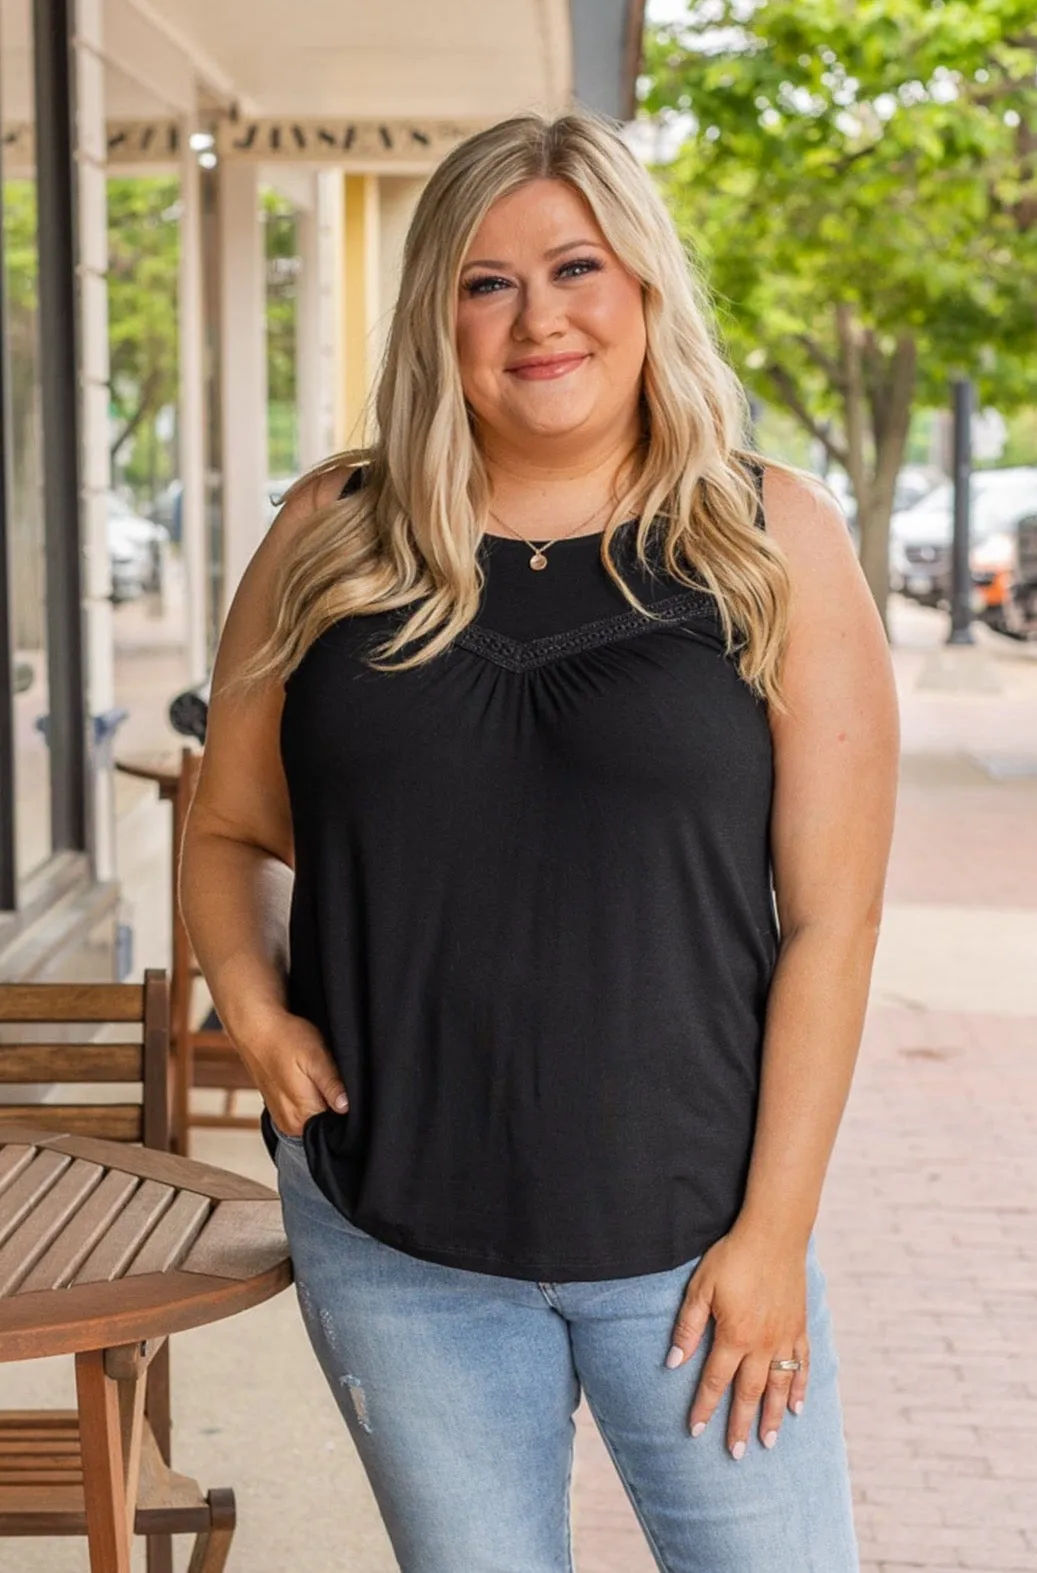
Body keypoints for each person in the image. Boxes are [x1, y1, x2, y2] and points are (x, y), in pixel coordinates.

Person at [179, 106, 898, 1572]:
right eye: (486, 282)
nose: (538, 318)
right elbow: (230, 825)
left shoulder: (771, 539)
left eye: (576, 267)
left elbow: (834, 922)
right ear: (439, 312)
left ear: (642, 283)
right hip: (398, 1241)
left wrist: (773, 1241)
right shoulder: (333, 531)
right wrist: (252, 1013)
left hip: (696, 1245)